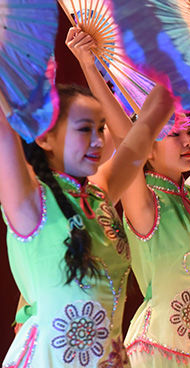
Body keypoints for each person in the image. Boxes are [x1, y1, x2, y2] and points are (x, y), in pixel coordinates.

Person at [66, 20, 190, 366]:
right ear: (149, 149)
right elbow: (128, 136)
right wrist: (88, 64)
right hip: (156, 352)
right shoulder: (144, 202)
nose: (187, 141)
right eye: (173, 134)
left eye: (189, 132)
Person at [0, 78, 173, 367]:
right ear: (44, 137)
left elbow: (147, 125)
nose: (98, 140)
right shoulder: (30, 200)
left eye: (101, 128)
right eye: (84, 129)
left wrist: (186, 52)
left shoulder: (99, 194)